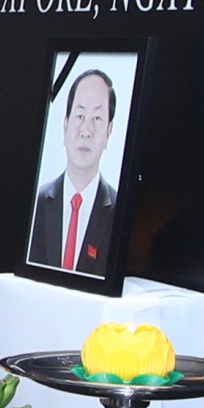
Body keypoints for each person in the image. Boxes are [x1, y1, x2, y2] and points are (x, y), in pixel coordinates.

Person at [26, 62, 120, 276]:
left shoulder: (118, 210)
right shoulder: (37, 203)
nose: (86, 130)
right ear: (65, 125)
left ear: (109, 131)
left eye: (97, 118)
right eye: (79, 116)